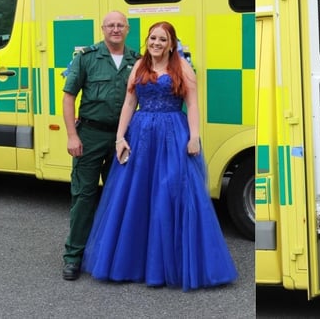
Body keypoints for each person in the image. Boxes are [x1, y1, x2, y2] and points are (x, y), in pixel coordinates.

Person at [81, 21, 238, 290]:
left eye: (162, 39)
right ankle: (136, 263)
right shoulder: (139, 67)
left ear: (171, 44)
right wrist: (120, 138)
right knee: (137, 197)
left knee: (171, 194)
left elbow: (192, 104)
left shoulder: (182, 68)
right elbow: (130, 103)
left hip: (172, 135)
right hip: (140, 136)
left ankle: (172, 265)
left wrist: (194, 137)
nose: (156, 43)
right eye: (153, 38)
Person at [61, 11, 140, 281]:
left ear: (127, 29)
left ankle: (113, 257)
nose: (115, 29)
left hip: (123, 138)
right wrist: (72, 136)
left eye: (120, 25)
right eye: (111, 25)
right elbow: (69, 97)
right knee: (83, 197)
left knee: (119, 197)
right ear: (103, 28)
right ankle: (73, 257)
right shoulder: (86, 58)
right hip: (91, 135)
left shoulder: (137, 61)